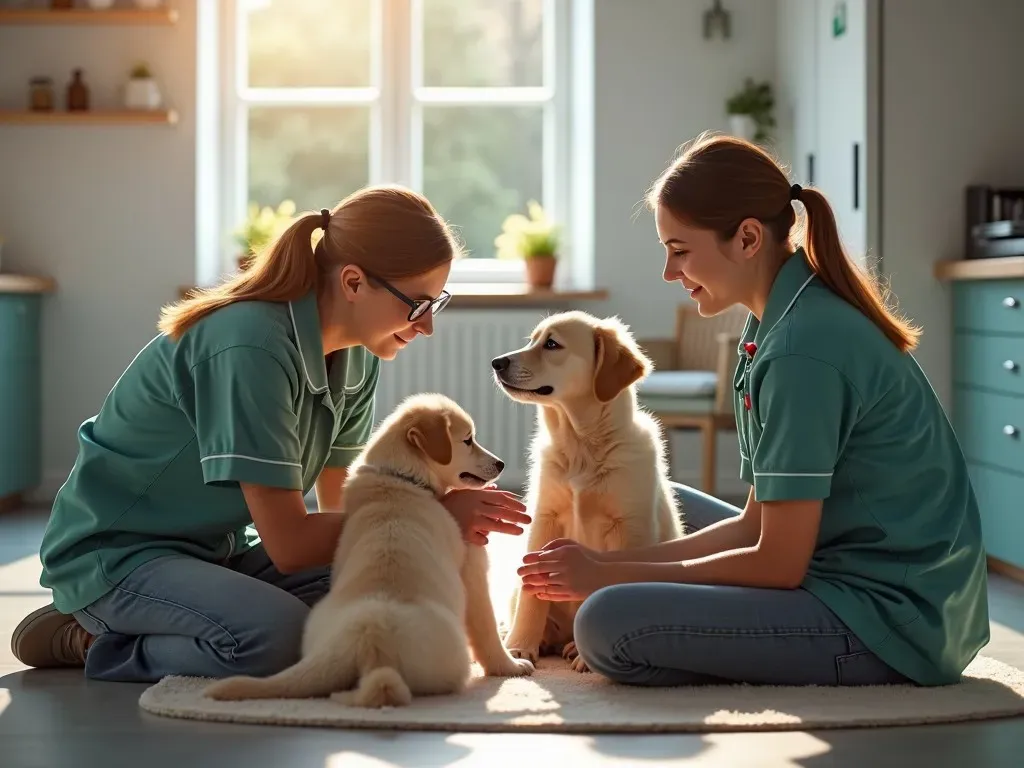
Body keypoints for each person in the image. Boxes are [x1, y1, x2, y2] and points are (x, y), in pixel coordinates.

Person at [516, 133, 990, 688]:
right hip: (831, 563)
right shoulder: (775, 325)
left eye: (679, 249)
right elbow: (758, 521)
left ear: (746, 238)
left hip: (885, 619)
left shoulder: (800, 350)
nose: (669, 272)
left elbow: (776, 563)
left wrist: (606, 574)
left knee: (605, 623)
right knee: (664, 498)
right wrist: (620, 570)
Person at [11, 185, 530, 683]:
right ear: (353, 283)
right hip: (123, 554)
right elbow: (290, 544)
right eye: (417, 306)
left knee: (389, 594)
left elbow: (347, 515)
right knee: (280, 639)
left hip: (218, 548)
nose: (426, 327)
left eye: (436, 305)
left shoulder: (357, 354)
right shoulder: (250, 347)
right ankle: (91, 638)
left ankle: (191, 610)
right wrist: (436, 513)